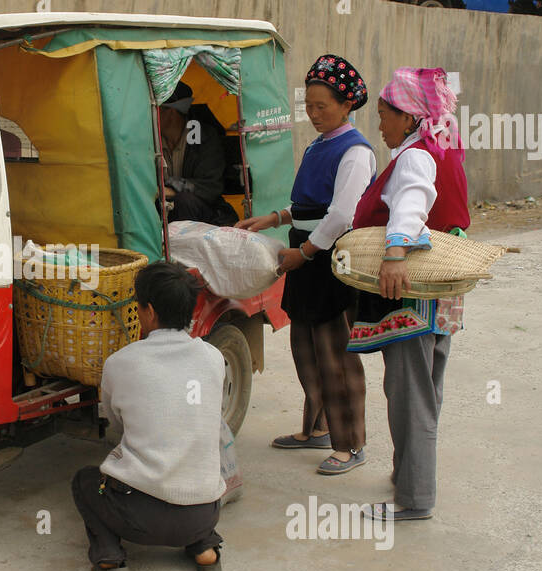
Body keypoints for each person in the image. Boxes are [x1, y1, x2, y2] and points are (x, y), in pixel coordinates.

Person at [237, 54, 375, 474]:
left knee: (336, 354)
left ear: (346, 104)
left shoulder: (355, 152)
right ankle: (316, 429)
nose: (314, 114)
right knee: (306, 349)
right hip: (306, 257)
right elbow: (307, 204)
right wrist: (275, 218)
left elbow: (340, 216)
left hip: (330, 261)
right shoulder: (320, 144)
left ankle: (350, 443)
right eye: (309, 106)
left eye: (322, 106)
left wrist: (304, 253)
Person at [346, 67, 470, 522]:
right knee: (427, 387)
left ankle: (415, 498)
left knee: (408, 392)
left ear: (409, 117)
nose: (380, 125)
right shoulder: (444, 148)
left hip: (415, 286)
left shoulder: (415, 157)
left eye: (384, 115)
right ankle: (411, 476)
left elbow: (412, 204)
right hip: (444, 287)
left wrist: (395, 253)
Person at [71, 262, 226, 571]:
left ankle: (109, 556)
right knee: (190, 469)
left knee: (85, 481)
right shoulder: (213, 357)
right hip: (204, 512)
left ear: (150, 312)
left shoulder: (119, 363)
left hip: (137, 518)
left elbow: (116, 425)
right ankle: (204, 547)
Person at [156, 82, 238, 226]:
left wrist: (172, 190)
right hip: (160, 208)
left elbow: (211, 187)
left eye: (156, 110)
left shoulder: (205, 137)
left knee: (183, 202)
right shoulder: (150, 141)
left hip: (203, 213)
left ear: (171, 113)